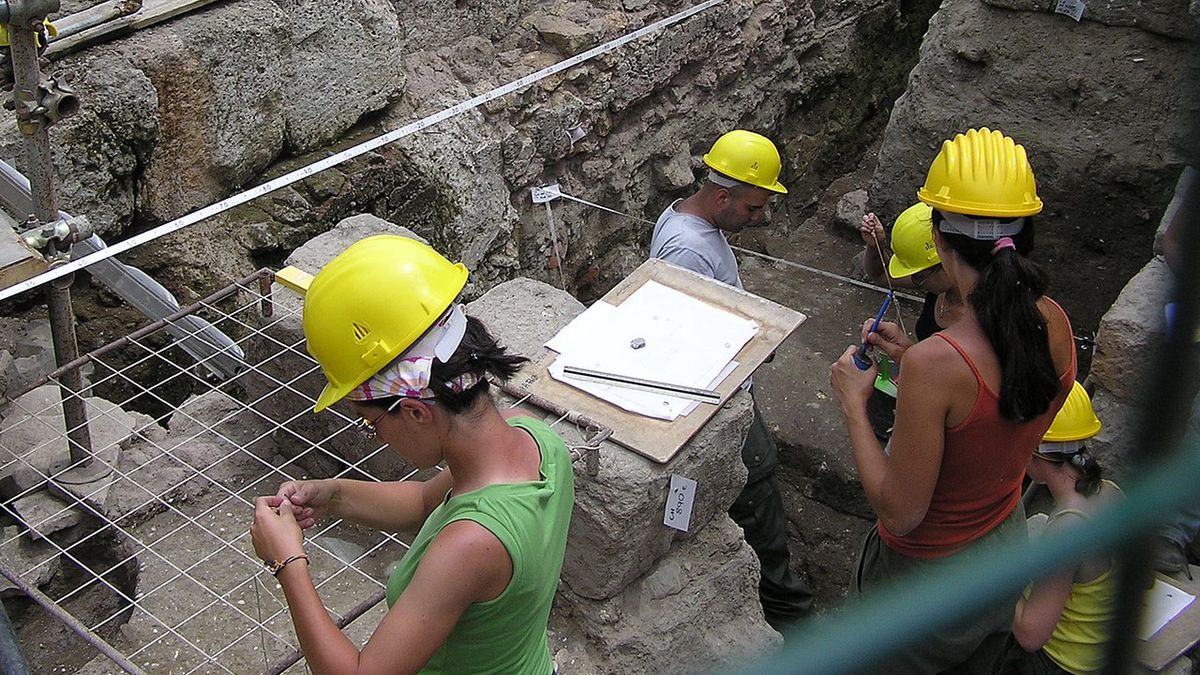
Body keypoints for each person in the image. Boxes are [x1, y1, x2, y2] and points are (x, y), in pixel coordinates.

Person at [250, 235, 574, 674]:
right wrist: (333, 496)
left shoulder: (470, 544)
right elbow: (425, 503)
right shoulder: (533, 438)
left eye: (371, 423)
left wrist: (286, 560)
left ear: (415, 412)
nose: (375, 436)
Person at [829, 127, 1077, 673]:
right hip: (1001, 553)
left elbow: (901, 512)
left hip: (928, 584)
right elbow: (994, 421)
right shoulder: (1055, 322)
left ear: (939, 240)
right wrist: (920, 363)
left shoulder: (936, 366)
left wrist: (853, 404)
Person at [649, 129, 814, 630]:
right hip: (721, 403)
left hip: (728, 390)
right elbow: (685, 344)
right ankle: (791, 619)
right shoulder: (688, 252)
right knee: (759, 496)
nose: (757, 217)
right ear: (723, 196)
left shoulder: (689, 219)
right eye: (753, 208)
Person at [994, 382, 1120, 675]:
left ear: (1032, 448)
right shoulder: (1110, 492)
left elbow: (1030, 635)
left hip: (1063, 664)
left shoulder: (1068, 528)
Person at [859, 202, 965, 438]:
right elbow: (881, 274)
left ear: (945, 261)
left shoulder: (981, 320)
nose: (915, 281)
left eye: (919, 275)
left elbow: (966, 391)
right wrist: (877, 246)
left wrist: (911, 356)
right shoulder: (942, 286)